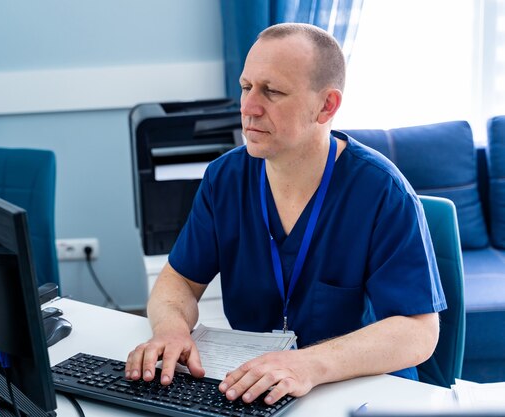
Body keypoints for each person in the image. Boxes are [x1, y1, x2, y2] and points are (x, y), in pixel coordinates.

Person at [125, 22, 446, 405]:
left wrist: (306, 365)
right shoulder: (225, 178)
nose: (248, 107)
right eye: (246, 87)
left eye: (272, 92)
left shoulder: (381, 192)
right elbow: (178, 282)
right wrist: (171, 329)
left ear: (326, 106)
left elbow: (418, 332)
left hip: (358, 393)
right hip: (258, 390)